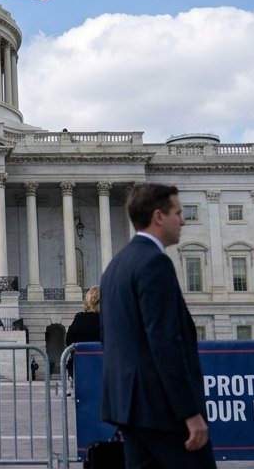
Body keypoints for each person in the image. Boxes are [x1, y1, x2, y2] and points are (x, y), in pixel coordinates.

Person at [100, 183, 215, 468]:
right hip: (162, 411)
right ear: (158, 216)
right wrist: (189, 412)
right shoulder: (154, 263)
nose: (184, 220)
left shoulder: (116, 265)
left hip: (129, 408)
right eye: (178, 212)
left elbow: (110, 339)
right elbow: (165, 343)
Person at [64, 286, 101, 384]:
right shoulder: (108, 319)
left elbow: (68, 341)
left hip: (81, 368)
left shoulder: (79, 319)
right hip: (104, 368)